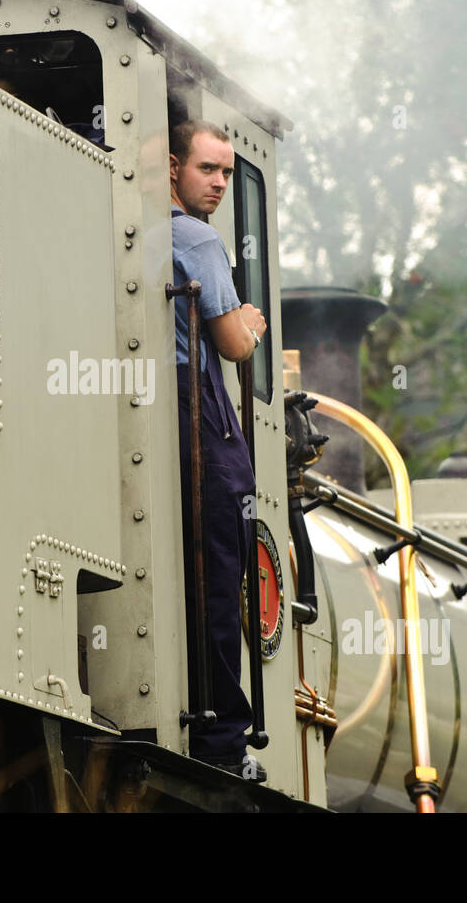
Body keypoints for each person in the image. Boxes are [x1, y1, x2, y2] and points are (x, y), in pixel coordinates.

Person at [169, 119, 267, 781]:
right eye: (208, 169)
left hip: (171, 397)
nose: (220, 184)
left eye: (229, 174)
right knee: (224, 554)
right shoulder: (195, 236)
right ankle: (224, 739)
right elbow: (233, 343)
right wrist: (252, 324)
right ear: (173, 165)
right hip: (199, 404)